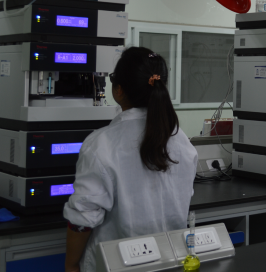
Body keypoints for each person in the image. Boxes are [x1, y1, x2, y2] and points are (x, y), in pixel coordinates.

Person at [63, 47, 198, 272]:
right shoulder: (181, 141)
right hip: (172, 262)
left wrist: (71, 264)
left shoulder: (101, 144)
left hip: (118, 264)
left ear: (119, 90)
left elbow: (82, 219)